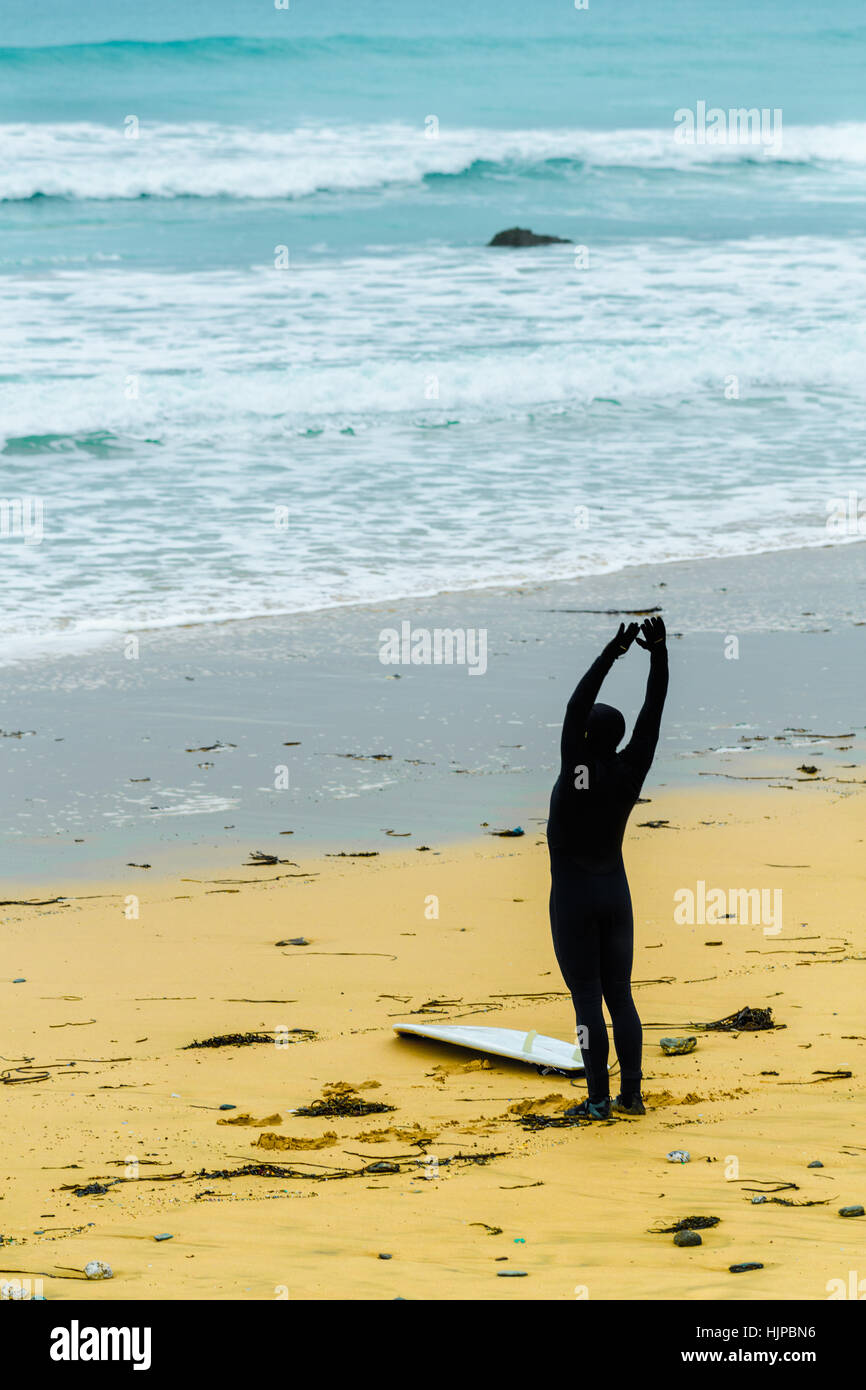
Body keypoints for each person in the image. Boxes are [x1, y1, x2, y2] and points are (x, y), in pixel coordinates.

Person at [547, 615, 669, 1119]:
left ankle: (597, 1099)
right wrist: (658, 652)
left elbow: (576, 704)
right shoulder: (630, 767)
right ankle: (633, 1097)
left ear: (584, 735)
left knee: (586, 1001)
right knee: (621, 996)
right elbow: (652, 712)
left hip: (574, 898)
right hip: (616, 895)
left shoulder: (576, 765)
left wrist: (611, 653)